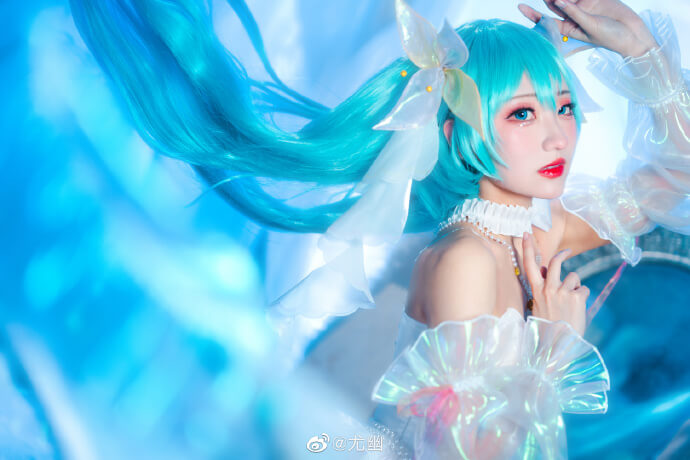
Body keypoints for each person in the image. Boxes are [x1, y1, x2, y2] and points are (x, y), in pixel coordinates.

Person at [68, 0, 689, 457]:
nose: (558, 135)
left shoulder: (530, 233)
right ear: (458, 134)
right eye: (523, 113)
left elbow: (675, 179)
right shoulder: (465, 261)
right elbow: (468, 453)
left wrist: (640, 48)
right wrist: (555, 349)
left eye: (565, 106)